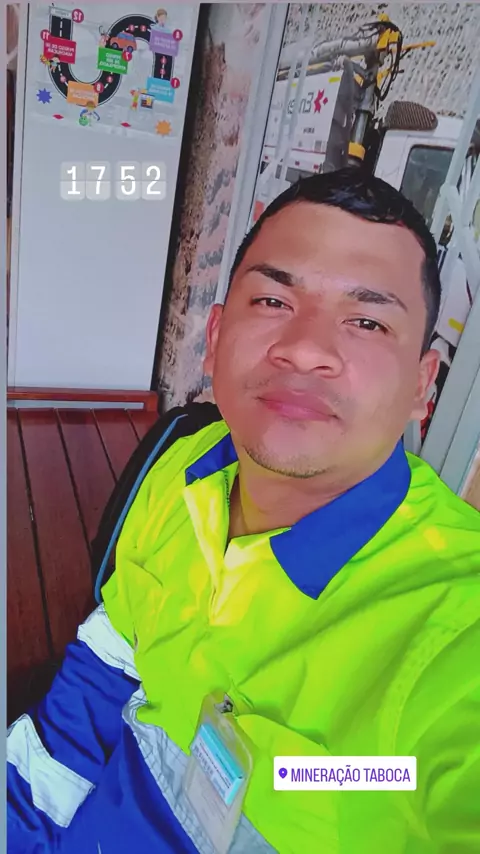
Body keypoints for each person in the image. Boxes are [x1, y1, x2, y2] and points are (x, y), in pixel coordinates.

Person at [7, 168, 480, 853]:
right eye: (273, 300)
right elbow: (103, 670)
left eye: (367, 321)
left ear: (422, 386)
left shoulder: (455, 625)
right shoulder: (184, 467)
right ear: (216, 335)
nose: (306, 348)